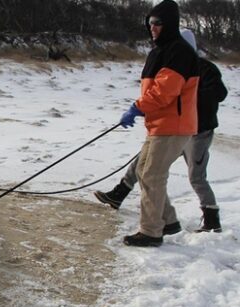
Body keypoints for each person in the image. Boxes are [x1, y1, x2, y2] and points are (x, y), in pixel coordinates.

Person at [95, 29, 228, 235]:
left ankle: (211, 219)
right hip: (171, 128)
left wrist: (186, 101)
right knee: (145, 164)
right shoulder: (169, 65)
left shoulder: (204, 68)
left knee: (196, 176)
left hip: (198, 132)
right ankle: (120, 194)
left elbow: (219, 93)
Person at [101, 0, 200, 247]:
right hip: (161, 125)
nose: (153, 28)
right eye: (150, 23)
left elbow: (164, 92)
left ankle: (151, 232)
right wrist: (142, 110)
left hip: (172, 126)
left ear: (170, 25)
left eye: (157, 23)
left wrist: (137, 107)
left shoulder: (178, 51)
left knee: (153, 175)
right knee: (145, 172)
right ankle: (168, 221)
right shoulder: (163, 50)